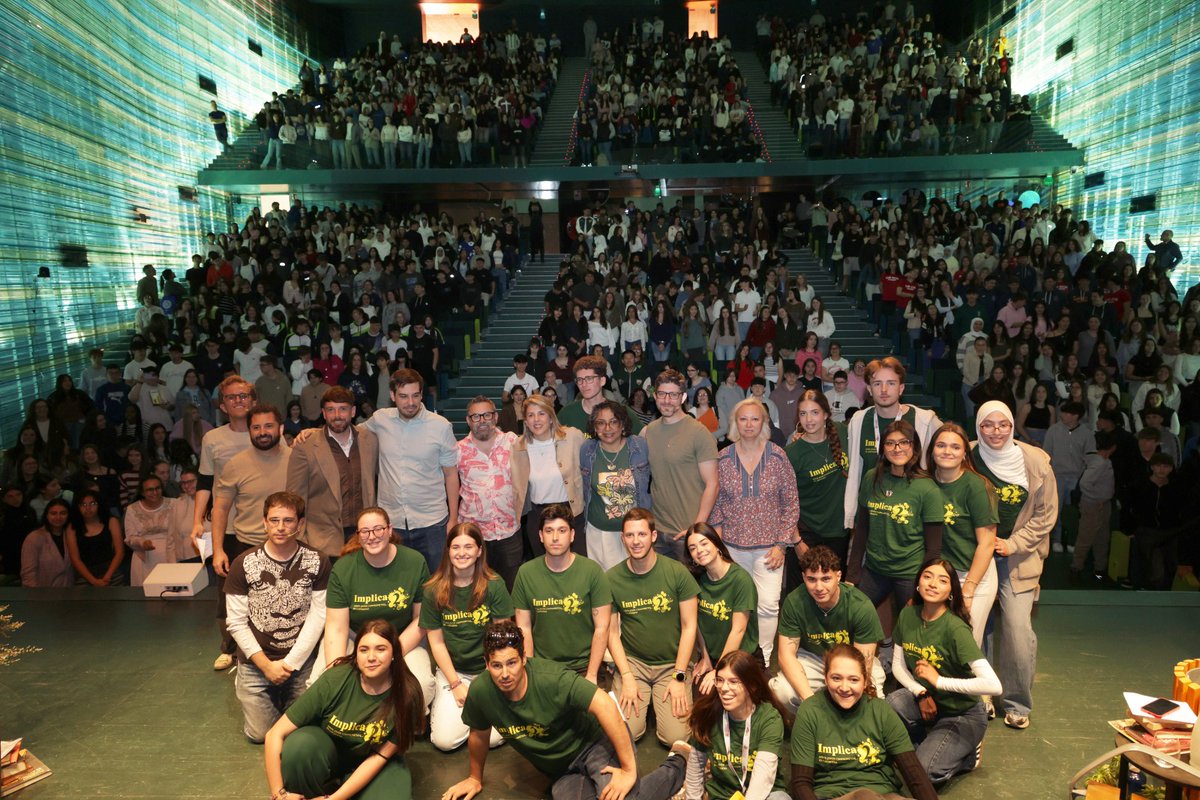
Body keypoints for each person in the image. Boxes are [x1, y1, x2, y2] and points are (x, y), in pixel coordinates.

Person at [444, 620, 687, 800]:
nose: (505, 674)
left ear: (524, 659)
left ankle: (679, 764)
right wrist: (475, 778)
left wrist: (628, 770)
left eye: (511, 663)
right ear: (486, 664)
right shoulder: (481, 692)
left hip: (596, 744)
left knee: (623, 797)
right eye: (496, 665)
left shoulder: (551, 679)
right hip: (562, 770)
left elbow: (605, 705)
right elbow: (479, 733)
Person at [263, 619, 425, 800]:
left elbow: (379, 757)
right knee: (299, 746)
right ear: (356, 654)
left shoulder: (407, 694)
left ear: (394, 653)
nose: (371, 657)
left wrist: (334, 799)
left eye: (381, 649)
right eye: (364, 650)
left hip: (373, 761)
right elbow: (274, 734)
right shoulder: (335, 679)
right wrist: (280, 795)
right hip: (328, 753)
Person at [972, 400, 1057, 730]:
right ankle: (980, 695)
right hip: (975, 553)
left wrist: (1012, 544)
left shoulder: (1035, 462)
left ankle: (1017, 701)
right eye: (988, 425)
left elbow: (1045, 516)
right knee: (976, 627)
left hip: (1018, 556)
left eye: (1003, 424)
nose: (996, 431)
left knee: (1017, 630)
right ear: (978, 426)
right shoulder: (965, 454)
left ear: (1012, 426)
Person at [225, 491, 330, 742]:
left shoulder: (318, 561)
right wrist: (265, 666)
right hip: (256, 664)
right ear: (264, 523)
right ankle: (260, 691)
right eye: (274, 520)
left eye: (288, 521)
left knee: (304, 730)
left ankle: (284, 695)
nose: (280, 527)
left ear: (300, 524)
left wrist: (290, 663)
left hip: (299, 662)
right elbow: (236, 622)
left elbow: (319, 614)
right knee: (262, 735)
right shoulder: (243, 563)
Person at [886, 559, 1001, 784]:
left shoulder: (956, 628)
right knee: (892, 704)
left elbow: (993, 685)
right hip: (930, 703)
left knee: (924, 773)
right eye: (927, 576)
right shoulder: (908, 615)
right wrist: (921, 692)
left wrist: (938, 682)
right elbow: (898, 665)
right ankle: (931, 745)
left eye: (942, 580)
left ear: (951, 592)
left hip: (964, 712)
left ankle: (967, 755)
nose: (933, 583)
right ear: (918, 583)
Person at [319, 507, 436, 710]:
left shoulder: (415, 561)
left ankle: (397, 721)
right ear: (358, 536)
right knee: (322, 684)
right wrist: (335, 672)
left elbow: (420, 619)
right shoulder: (343, 568)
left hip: (402, 639)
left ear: (390, 530)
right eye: (365, 531)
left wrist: (390, 654)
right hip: (355, 639)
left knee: (422, 688)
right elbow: (337, 628)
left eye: (378, 529)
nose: (372, 536)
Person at [710, 398, 799, 663]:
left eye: (755, 419)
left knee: (768, 606)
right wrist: (720, 545)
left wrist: (782, 544)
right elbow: (717, 503)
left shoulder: (777, 456)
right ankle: (738, 657)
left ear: (764, 422)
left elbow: (791, 502)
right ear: (735, 423)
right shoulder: (724, 457)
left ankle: (764, 659)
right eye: (743, 419)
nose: (749, 424)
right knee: (736, 607)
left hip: (769, 549)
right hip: (733, 549)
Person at [789, 644, 938, 800]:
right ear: (826, 678)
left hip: (885, 794)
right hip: (833, 795)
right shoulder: (810, 711)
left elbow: (913, 773)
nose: (844, 687)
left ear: (865, 681)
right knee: (864, 796)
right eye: (836, 678)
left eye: (853, 680)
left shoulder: (881, 711)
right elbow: (801, 783)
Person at [606, 508, 699, 745]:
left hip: (671, 664)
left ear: (653, 536)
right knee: (626, 733)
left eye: (642, 534)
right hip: (634, 664)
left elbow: (690, 627)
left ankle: (659, 700)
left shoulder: (677, 572)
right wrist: (626, 675)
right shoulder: (612, 578)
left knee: (675, 738)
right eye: (629, 535)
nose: (636, 541)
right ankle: (644, 699)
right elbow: (612, 633)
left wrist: (679, 676)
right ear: (623, 538)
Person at [422, 523, 513, 752]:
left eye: (468, 547)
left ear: (479, 550)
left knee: (492, 740)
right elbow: (436, 642)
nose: (461, 553)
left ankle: (477, 714)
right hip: (454, 672)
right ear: (448, 551)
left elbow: (502, 640)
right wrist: (455, 684)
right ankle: (475, 715)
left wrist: (487, 681)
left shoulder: (494, 585)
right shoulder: (433, 589)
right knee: (444, 742)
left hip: (488, 671)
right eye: (455, 547)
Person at [362, 368, 459, 573]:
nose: (410, 402)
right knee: (399, 587)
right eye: (403, 396)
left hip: (432, 523)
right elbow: (350, 433)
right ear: (392, 396)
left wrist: (453, 519)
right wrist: (313, 432)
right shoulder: (380, 420)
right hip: (392, 523)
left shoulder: (441, 426)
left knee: (436, 585)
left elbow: (451, 475)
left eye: (415, 395)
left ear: (422, 394)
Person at [847, 419, 945, 612]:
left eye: (904, 442)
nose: (897, 448)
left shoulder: (927, 487)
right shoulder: (871, 478)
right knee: (853, 616)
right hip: (874, 570)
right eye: (890, 443)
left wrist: (922, 584)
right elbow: (862, 531)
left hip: (910, 574)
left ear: (914, 446)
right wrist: (852, 575)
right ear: (883, 448)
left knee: (910, 632)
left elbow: (933, 549)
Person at [770, 546, 885, 710]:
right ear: (803, 577)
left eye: (825, 579)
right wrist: (809, 700)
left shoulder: (860, 605)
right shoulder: (794, 602)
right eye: (811, 579)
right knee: (781, 691)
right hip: (813, 658)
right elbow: (785, 655)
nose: (818, 587)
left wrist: (846, 689)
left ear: (838, 576)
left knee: (874, 700)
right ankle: (808, 729)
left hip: (852, 660)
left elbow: (864, 661)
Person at [193, 375, 254, 671]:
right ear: (222, 405)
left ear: (253, 401)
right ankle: (228, 647)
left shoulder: (266, 433)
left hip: (260, 527)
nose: (238, 401)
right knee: (227, 590)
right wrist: (196, 521)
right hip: (224, 527)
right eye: (232, 397)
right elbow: (204, 482)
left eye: (243, 396)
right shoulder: (212, 439)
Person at [512, 503, 611, 682]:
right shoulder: (526, 573)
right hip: (543, 668)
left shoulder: (592, 571)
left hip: (585, 668)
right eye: (549, 531)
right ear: (541, 536)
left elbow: (602, 627)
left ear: (572, 535)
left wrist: (591, 674)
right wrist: (531, 673)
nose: (555, 538)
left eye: (562, 530)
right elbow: (524, 628)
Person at [843, 357, 941, 531]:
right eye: (877, 383)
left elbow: (953, 444)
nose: (884, 390)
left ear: (901, 388)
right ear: (869, 389)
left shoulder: (924, 420)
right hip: (871, 515)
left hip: (909, 516)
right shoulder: (858, 421)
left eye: (891, 383)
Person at [683, 649, 793, 800]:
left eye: (733, 681)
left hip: (762, 795)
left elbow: (763, 777)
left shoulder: (769, 719)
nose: (724, 688)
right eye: (720, 680)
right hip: (722, 795)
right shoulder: (708, 714)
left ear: (752, 686)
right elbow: (695, 768)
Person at [926, 423, 998, 644]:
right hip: (939, 576)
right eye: (941, 445)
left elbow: (987, 543)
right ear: (931, 451)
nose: (947, 451)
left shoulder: (976, 486)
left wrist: (968, 589)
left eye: (955, 447)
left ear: (965, 453)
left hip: (973, 575)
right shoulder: (924, 483)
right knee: (936, 643)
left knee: (964, 645)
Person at [286, 386, 378, 558]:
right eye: (331, 410)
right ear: (323, 413)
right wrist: (300, 540)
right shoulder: (305, 446)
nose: (337, 416)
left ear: (353, 411)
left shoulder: (370, 440)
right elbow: (294, 499)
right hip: (322, 543)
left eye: (343, 409)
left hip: (364, 539)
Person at [644, 369, 719, 559]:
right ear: (655, 395)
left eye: (673, 395)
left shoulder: (698, 432)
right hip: (657, 532)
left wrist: (696, 528)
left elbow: (713, 484)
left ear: (683, 397)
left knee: (690, 588)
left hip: (687, 533)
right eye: (662, 394)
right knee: (660, 589)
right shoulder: (648, 432)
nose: (667, 400)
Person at [212, 404, 292, 579]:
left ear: (281, 428)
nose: (262, 432)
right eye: (256, 427)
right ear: (249, 431)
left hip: (291, 551)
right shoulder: (235, 465)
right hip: (248, 549)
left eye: (268, 426)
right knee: (238, 606)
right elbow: (220, 509)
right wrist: (217, 550)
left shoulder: (298, 461)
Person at [684, 523, 759, 694]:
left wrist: (718, 671)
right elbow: (695, 623)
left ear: (716, 544)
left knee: (733, 698)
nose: (699, 550)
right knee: (698, 698)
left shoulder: (740, 580)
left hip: (741, 657)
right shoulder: (696, 580)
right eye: (693, 548)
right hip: (713, 656)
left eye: (704, 543)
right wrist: (705, 658)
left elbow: (738, 630)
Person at [456, 396, 522, 589]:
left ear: (496, 417)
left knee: (511, 589)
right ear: (468, 421)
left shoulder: (513, 442)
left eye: (486, 415)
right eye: (476, 416)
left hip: (509, 530)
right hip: (474, 535)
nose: (482, 420)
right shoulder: (458, 450)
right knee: (477, 590)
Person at [580, 401, 652, 572]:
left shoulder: (639, 446)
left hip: (635, 532)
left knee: (635, 582)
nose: (607, 428)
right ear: (594, 427)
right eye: (601, 423)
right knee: (604, 585)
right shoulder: (587, 450)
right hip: (599, 534)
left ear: (622, 424)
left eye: (613, 421)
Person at [511, 394, 585, 556]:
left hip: (570, 512)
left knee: (575, 566)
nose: (536, 419)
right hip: (537, 516)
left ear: (551, 417)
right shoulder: (518, 446)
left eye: (541, 413)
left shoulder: (572, 437)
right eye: (530, 415)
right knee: (544, 569)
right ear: (525, 421)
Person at [786, 391, 849, 565]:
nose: (809, 419)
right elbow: (784, 502)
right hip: (806, 533)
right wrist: (796, 541)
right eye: (803, 413)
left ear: (826, 414)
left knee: (833, 587)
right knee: (801, 589)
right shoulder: (792, 453)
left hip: (838, 530)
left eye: (815, 412)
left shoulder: (843, 433)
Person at [1041, 400, 1094, 552]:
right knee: (1055, 509)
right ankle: (1056, 539)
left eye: (1066, 412)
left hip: (1077, 477)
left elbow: (1089, 456)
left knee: (1073, 510)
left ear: (1076, 416)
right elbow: (1046, 453)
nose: (1062, 415)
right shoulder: (1054, 430)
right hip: (1057, 475)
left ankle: (1072, 539)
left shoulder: (1086, 433)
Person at [558, 354, 646, 435]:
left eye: (589, 379)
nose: (584, 384)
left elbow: (646, 434)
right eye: (580, 380)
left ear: (602, 381)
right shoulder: (566, 413)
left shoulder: (620, 411)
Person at [122, 475, 178, 586]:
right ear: (142, 492)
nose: (155, 492)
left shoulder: (174, 504)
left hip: (172, 555)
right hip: (144, 558)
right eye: (150, 490)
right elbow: (130, 537)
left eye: (158, 488)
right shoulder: (132, 509)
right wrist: (142, 543)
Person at [20, 499, 74, 587]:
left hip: (70, 593)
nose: (58, 517)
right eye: (53, 513)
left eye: (63, 513)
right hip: (43, 594)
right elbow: (28, 574)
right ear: (46, 515)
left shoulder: (71, 535)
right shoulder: (34, 538)